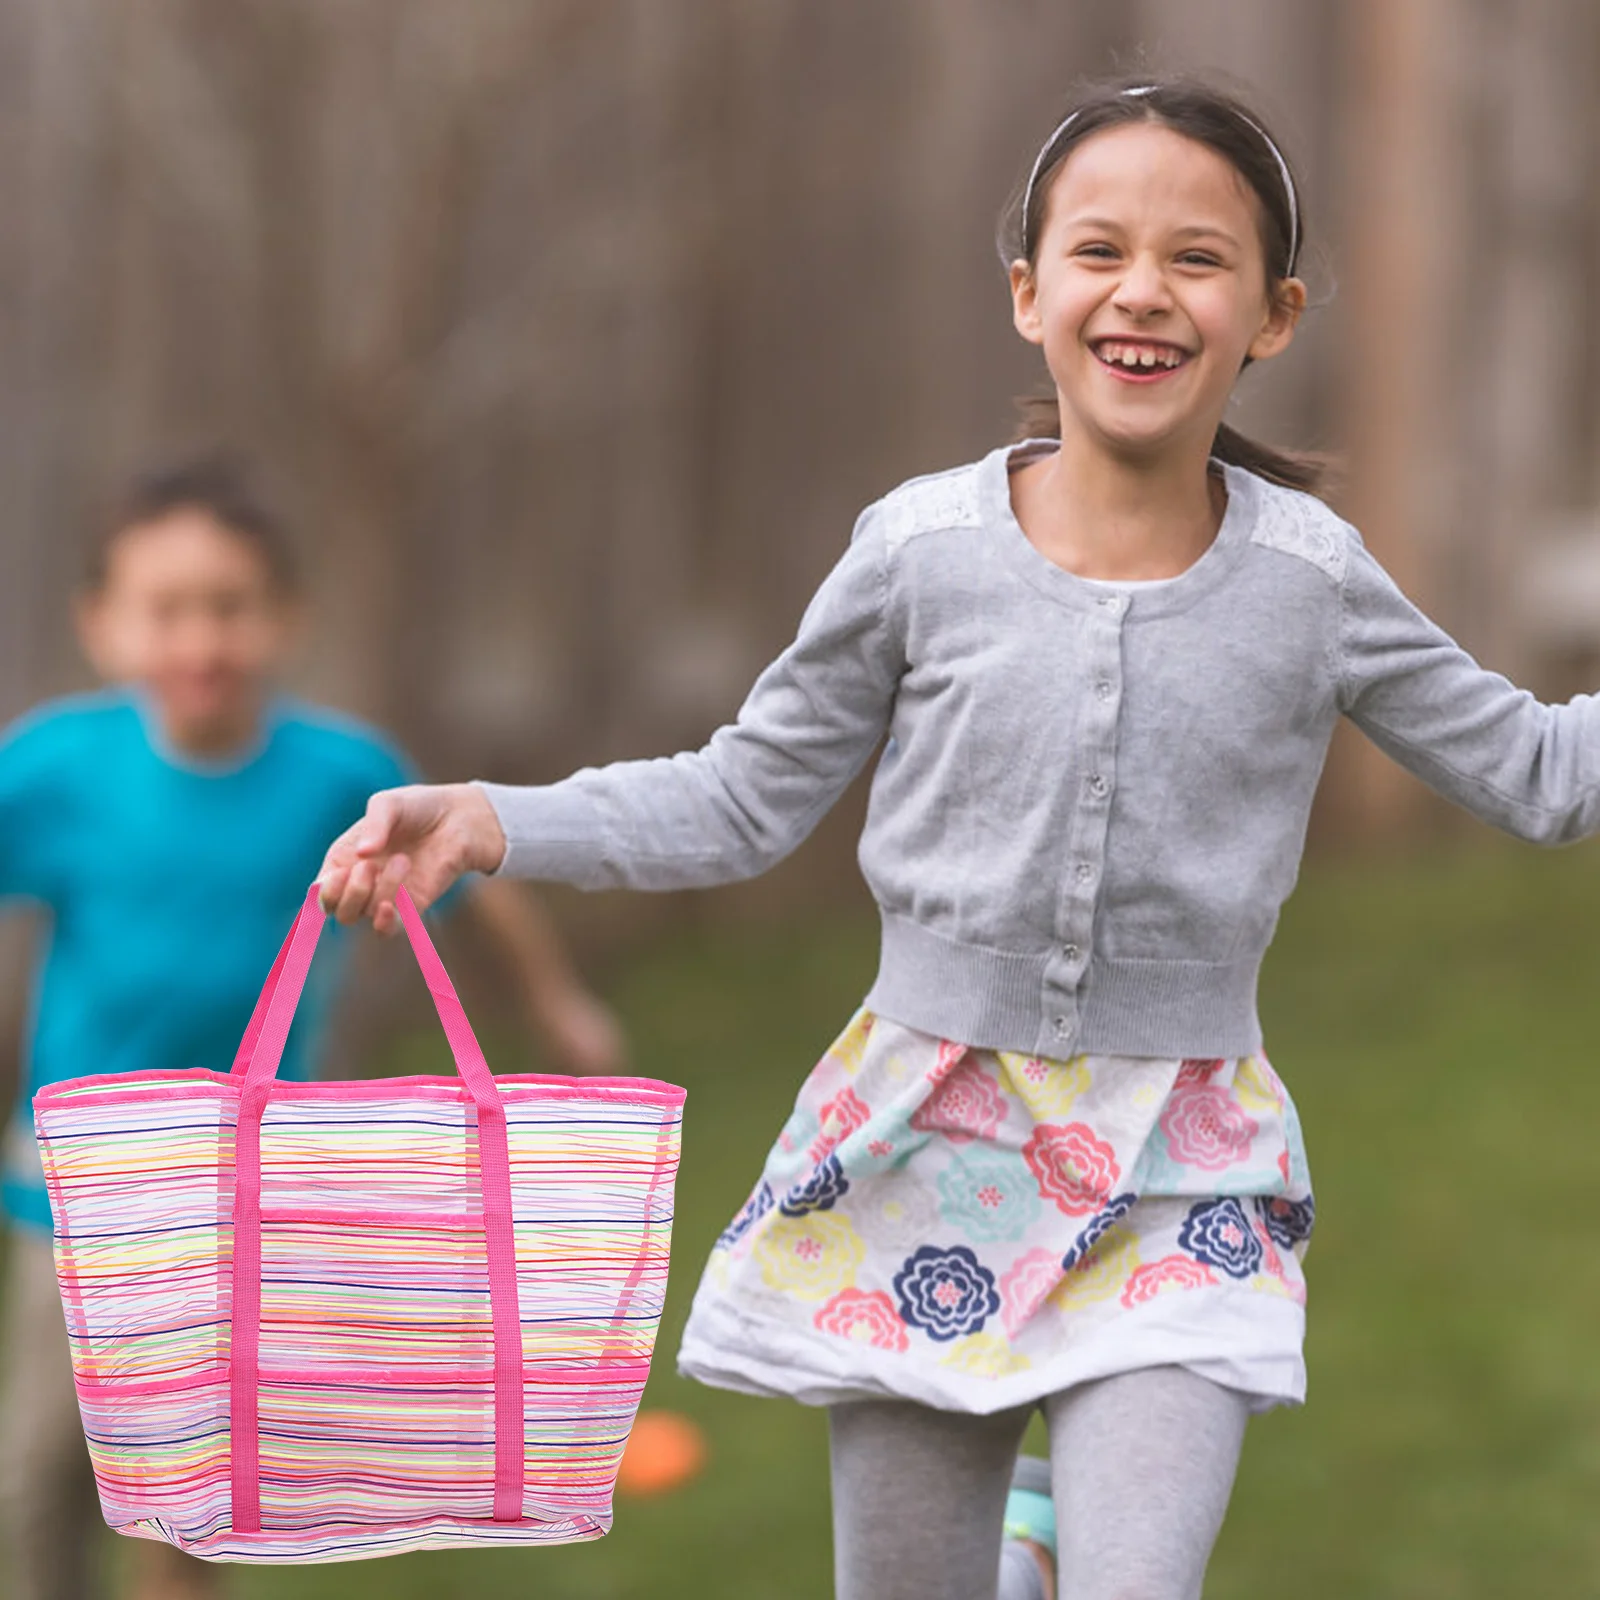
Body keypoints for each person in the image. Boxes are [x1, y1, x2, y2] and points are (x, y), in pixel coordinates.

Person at [317, 75, 1599, 1598]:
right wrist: (490, 818)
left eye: (1199, 258)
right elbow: (742, 796)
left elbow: (1539, 769)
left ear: (1274, 316)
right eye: (1100, 249)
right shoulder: (920, 553)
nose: (1144, 290)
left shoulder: (1313, 584)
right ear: (1027, 293)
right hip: (928, 1143)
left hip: (1183, 1172)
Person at [0, 455, 625, 1600]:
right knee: (41, 1462)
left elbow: (481, 887)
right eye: (167, 609)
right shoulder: (53, 770)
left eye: (230, 606)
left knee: (194, 1474)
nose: (202, 639)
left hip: (247, 1180)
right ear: (103, 625)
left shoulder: (342, 772)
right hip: (77, 1181)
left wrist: (557, 1007)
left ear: (284, 616)